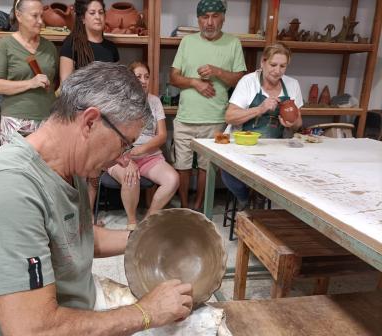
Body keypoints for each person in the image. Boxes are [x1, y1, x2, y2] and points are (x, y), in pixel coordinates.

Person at [0, 62, 193, 336]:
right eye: (124, 144)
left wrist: (149, 238)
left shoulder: (68, 168)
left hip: (73, 315)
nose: (122, 159)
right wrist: (145, 313)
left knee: (192, 329)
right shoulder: (7, 191)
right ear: (90, 122)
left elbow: (75, 237)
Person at [170, 0, 246, 210]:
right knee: (182, 166)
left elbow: (239, 80)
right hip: (185, 117)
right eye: (205, 17)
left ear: (223, 18)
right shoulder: (187, 42)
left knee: (207, 166)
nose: (209, 22)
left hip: (216, 119)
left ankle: (199, 206)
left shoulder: (233, 43)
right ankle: (185, 207)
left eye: (214, 16)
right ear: (198, 20)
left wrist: (217, 71)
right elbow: (173, 77)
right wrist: (195, 82)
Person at [222, 42, 303, 208]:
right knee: (226, 170)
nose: (277, 71)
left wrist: (291, 123)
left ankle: (261, 197)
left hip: (275, 147)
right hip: (243, 145)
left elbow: (299, 124)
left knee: (292, 168)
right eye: (273, 65)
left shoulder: (292, 85)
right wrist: (260, 108)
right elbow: (229, 116)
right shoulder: (248, 82)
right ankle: (245, 199)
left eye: (283, 66)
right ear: (263, 62)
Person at [59, 0, 120, 213]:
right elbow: (66, 84)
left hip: (104, 117)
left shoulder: (111, 48)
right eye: (92, 13)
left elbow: (114, 85)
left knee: (94, 170)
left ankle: (86, 219)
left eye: (101, 12)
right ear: (83, 17)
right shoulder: (72, 44)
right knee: (75, 171)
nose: (98, 17)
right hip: (78, 116)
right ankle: (70, 217)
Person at [108, 62, 179, 230]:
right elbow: (110, 138)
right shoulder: (117, 102)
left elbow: (162, 135)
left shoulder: (154, 101)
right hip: (119, 157)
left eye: (146, 76)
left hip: (149, 156)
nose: (143, 80)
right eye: (138, 76)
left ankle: (148, 220)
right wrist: (128, 158)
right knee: (131, 177)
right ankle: (132, 223)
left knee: (173, 179)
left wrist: (142, 149)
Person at [0, 0, 58, 145]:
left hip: (47, 120)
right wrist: (30, 83)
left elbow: (54, 83)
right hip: (16, 120)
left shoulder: (50, 47)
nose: (40, 21)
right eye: (34, 16)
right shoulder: (4, 45)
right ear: (19, 16)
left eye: (42, 16)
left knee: (44, 166)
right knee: (16, 166)